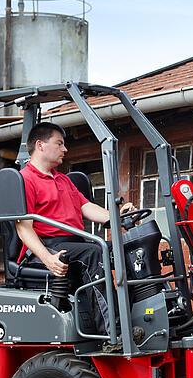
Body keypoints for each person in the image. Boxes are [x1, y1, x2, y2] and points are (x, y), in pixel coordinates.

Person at [15, 122, 134, 336]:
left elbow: (87, 208)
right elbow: (24, 229)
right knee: (95, 252)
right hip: (48, 247)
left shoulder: (63, 180)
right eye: (59, 143)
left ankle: (137, 317)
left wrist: (120, 216)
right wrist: (48, 259)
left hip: (74, 244)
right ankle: (114, 332)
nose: (65, 149)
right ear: (40, 145)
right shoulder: (25, 179)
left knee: (129, 248)